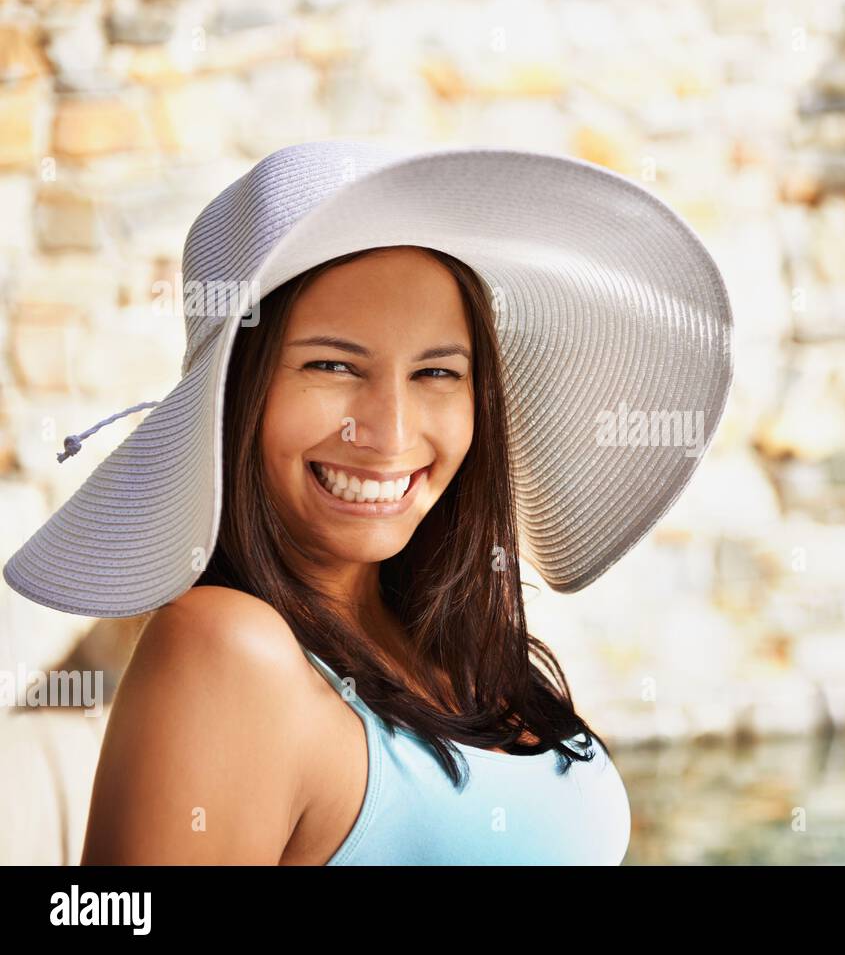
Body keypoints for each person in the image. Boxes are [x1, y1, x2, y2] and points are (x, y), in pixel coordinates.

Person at [3, 140, 734, 864]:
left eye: (437, 372)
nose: (387, 433)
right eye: (331, 364)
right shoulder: (224, 647)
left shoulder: (455, 644)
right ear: (238, 396)